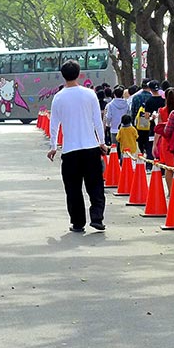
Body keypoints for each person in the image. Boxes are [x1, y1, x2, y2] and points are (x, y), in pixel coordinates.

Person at [47, 59, 109, 233]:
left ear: (63, 75)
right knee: (95, 186)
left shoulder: (58, 97)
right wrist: (102, 142)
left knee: (73, 189)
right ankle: (97, 218)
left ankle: (78, 222)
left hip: (70, 151)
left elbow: (54, 124)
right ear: (79, 73)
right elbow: (98, 121)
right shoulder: (89, 94)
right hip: (90, 148)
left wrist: (53, 146)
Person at [154, 87, 174, 168]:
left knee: (168, 167)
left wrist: (155, 145)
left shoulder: (162, 111)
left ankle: (170, 181)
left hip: (166, 141)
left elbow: (158, 129)